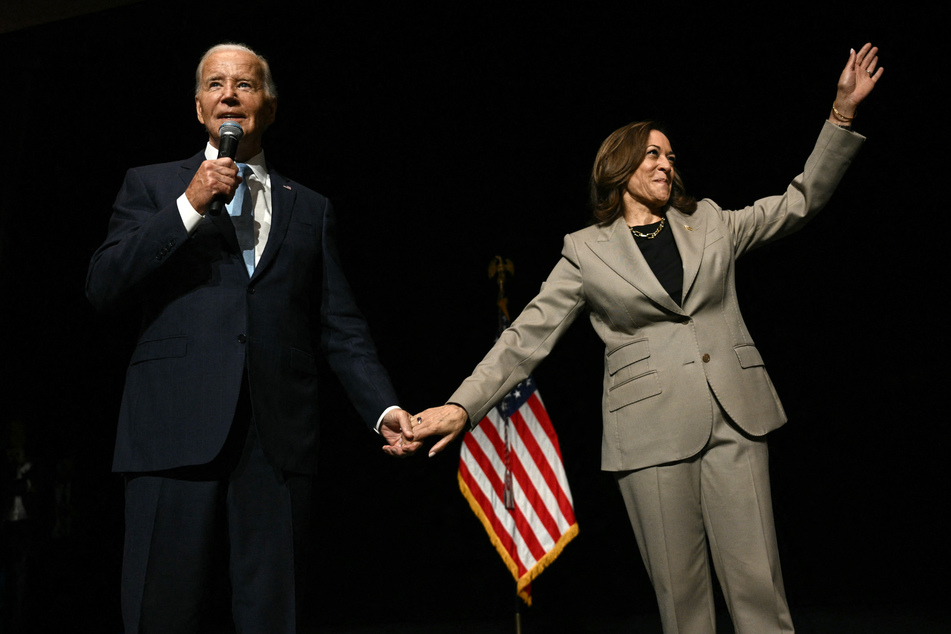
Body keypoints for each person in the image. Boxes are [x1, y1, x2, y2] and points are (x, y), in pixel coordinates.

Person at [411, 44, 883, 633]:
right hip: (650, 432)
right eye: (652, 153)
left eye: (670, 154)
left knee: (760, 591)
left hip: (736, 416)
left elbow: (799, 203)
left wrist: (840, 116)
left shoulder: (710, 220)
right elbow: (526, 337)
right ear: (620, 165)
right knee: (684, 607)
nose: (666, 163)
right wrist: (461, 406)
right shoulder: (585, 250)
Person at [86, 43, 421, 633]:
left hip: (277, 436)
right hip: (171, 428)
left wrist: (382, 408)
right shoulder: (152, 184)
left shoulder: (310, 208)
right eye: (216, 85)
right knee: (159, 613)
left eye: (244, 85)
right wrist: (189, 204)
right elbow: (104, 284)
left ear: (267, 105)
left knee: (275, 614)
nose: (229, 95)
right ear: (198, 108)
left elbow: (340, 325)